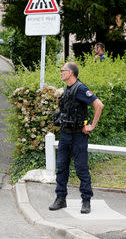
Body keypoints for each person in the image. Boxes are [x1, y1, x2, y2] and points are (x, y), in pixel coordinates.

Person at [49, 62, 104, 214]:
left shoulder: (81, 89)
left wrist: (91, 126)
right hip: (66, 134)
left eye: (62, 71)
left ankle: (86, 201)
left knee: (81, 168)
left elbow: (99, 104)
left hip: (78, 135)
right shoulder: (67, 89)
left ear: (71, 73)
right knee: (62, 167)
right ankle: (61, 199)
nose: (60, 73)